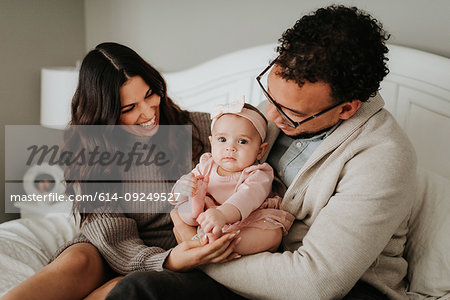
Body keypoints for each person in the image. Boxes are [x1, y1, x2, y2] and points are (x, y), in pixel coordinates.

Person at [106, 5, 417, 300]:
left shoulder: (382, 157)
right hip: (245, 263)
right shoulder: (283, 105)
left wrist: (197, 250)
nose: (271, 114)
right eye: (270, 94)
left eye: (289, 112)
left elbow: (316, 282)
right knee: (137, 291)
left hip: (336, 291)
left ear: (346, 109)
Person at [1, 42, 242, 300]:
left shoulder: (201, 128)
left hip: (174, 248)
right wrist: (165, 261)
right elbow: (108, 230)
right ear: (105, 114)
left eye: (150, 94)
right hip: (113, 246)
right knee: (77, 260)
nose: (149, 112)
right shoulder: (88, 147)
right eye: (130, 108)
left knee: (124, 287)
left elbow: (254, 138)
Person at [171, 97, 294, 254]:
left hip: (248, 220)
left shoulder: (258, 173)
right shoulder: (206, 164)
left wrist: (222, 214)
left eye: (242, 141)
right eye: (222, 139)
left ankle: (219, 244)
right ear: (212, 142)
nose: (230, 147)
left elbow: (247, 197)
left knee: (272, 234)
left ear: (260, 151)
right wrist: (182, 187)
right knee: (182, 210)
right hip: (207, 218)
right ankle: (197, 211)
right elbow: (177, 195)